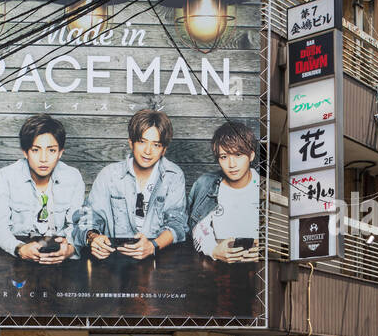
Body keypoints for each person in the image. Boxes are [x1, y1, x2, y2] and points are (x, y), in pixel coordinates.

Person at [76, 108, 186, 260]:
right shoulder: (109, 175)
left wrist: (153, 245)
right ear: (131, 143)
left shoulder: (173, 175)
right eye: (142, 142)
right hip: (114, 260)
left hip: (159, 257)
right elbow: (87, 217)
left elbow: (178, 223)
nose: (148, 151)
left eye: (156, 145)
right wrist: (93, 238)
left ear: (164, 150)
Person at [0, 114, 84, 263]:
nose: (43, 158)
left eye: (51, 150)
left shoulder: (73, 177)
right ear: (25, 152)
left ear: (60, 152)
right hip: (16, 256)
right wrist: (19, 248)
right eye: (35, 150)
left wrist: (70, 248)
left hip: (59, 256)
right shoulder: (6, 176)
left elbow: (77, 224)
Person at [188, 120, 260, 263]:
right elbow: (196, 228)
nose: (232, 164)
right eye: (224, 157)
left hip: (259, 273)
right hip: (215, 269)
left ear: (251, 155)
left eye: (238, 155)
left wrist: (266, 251)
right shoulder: (205, 185)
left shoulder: (265, 187)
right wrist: (213, 250)